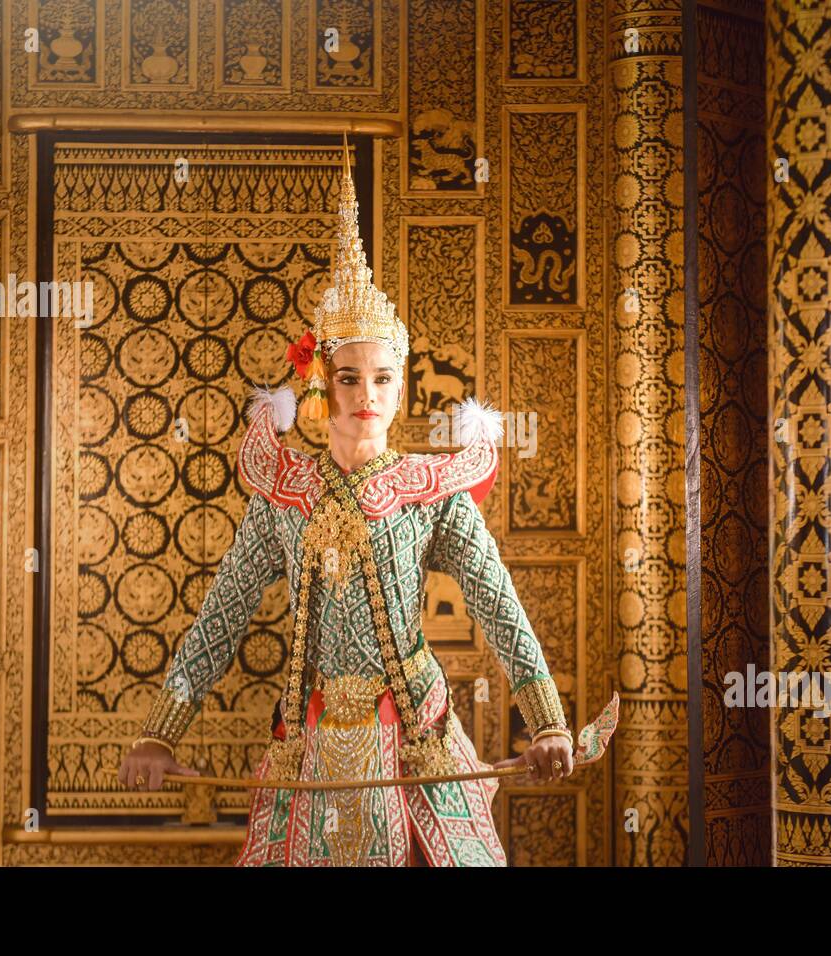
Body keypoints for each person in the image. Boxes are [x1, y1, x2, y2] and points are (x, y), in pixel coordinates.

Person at [117, 146, 573, 866]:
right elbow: (224, 611)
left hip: (417, 742)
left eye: (383, 379)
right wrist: (160, 731)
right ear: (321, 383)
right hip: (312, 738)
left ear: (401, 388)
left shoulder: (431, 492)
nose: (367, 396)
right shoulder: (284, 493)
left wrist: (545, 719)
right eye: (351, 377)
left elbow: (496, 603)